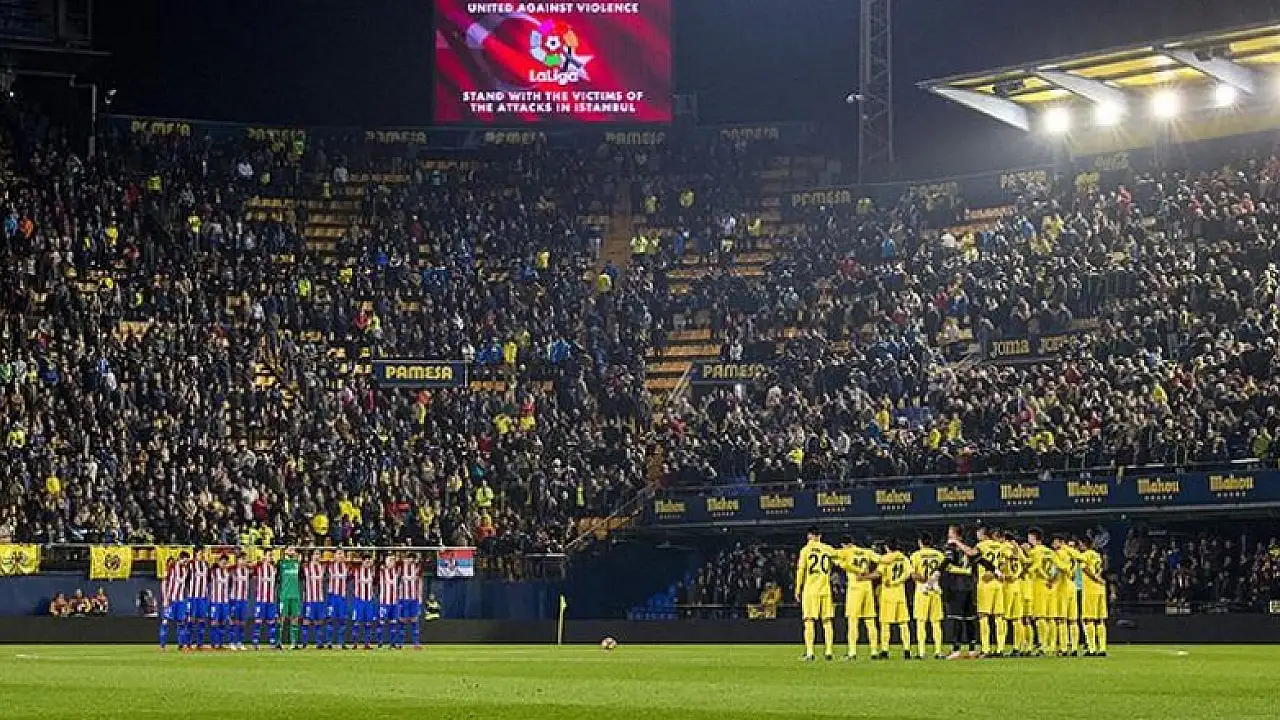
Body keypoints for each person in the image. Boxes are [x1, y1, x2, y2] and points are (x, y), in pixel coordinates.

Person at [832, 536, 879, 659]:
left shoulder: (846, 552)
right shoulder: (866, 552)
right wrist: (871, 573)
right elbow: (881, 560)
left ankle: (852, 652)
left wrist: (846, 565)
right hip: (867, 587)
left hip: (855, 587)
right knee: (870, 621)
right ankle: (874, 651)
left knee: (853, 621)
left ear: (844, 544)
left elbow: (833, 556)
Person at [794, 526, 837, 661]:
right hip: (825, 589)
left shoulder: (806, 550)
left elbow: (801, 570)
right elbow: (840, 561)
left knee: (809, 621)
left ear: (809, 536)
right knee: (827, 621)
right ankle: (829, 651)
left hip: (810, 590)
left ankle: (810, 652)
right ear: (820, 536)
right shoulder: (828, 549)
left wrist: (797, 589)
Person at [937, 525, 978, 659]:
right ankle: (971, 649)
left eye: (950, 532)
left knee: (958, 618)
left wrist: (936, 574)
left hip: (957, 586)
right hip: (968, 585)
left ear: (956, 534)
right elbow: (973, 554)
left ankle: (957, 650)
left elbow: (947, 561)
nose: (948, 535)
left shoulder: (952, 547)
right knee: (968, 619)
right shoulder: (966, 545)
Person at [909, 532, 946, 659]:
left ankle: (921, 652)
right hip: (935, 590)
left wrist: (924, 580)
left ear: (920, 542)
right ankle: (938, 651)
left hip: (922, 590)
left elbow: (913, 575)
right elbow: (945, 570)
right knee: (936, 622)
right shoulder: (939, 555)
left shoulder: (915, 555)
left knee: (921, 622)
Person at [973, 526, 1009, 656]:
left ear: (984, 535)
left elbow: (972, 556)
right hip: (998, 584)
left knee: (983, 616)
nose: (977, 536)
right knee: (999, 617)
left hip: (985, 583)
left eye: (978, 534)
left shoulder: (981, 546)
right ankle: (1000, 648)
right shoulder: (1000, 546)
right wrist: (995, 574)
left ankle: (986, 648)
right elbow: (1004, 564)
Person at [875, 539, 913, 659]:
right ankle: (907, 650)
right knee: (903, 624)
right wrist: (898, 581)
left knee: (885, 624)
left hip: (887, 595)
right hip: (900, 595)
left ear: (887, 547)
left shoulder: (886, 559)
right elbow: (908, 574)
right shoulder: (904, 558)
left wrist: (865, 577)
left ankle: (885, 650)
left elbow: (878, 573)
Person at [1025, 527, 1059, 655]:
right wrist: (1051, 579)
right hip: (1051, 586)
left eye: (1029, 537)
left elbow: (1037, 567)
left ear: (1033, 538)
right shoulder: (1050, 551)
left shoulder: (1035, 551)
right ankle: (1052, 645)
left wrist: (1027, 570)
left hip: (1039, 586)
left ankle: (1043, 645)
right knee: (1051, 617)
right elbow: (1056, 568)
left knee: (1040, 617)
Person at [1000, 530, 1031, 655]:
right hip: (1018, 586)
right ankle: (1017, 647)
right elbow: (1026, 562)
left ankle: (1000, 647)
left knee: (1002, 617)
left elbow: (1002, 562)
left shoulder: (1003, 547)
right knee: (1017, 619)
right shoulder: (1018, 549)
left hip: (1007, 585)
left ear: (1004, 538)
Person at [1053, 535, 1083, 656]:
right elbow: (1080, 558)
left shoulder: (1058, 553)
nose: (1053, 545)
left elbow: (1059, 566)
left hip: (1062, 588)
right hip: (1072, 587)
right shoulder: (1073, 552)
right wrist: (1072, 571)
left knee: (1062, 620)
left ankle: (1064, 648)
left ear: (1060, 542)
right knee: (1073, 621)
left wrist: (1067, 571)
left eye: (1055, 542)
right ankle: (1074, 648)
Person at [1079, 535, 1108, 657]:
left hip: (1090, 590)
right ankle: (1102, 648)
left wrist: (1095, 578)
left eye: (1080, 544)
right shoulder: (1097, 555)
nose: (1079, 546)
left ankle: (1091, 648)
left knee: (1088, 619)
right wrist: (1099, 578)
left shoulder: (1085, 555)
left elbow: (1085, 568)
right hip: (1100, 589)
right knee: (1100, 619)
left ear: (1084, 544)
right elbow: (1103, 568)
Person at [159, 552, 190, 650]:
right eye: (184, 561)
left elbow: (185, 585)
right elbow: (164, 583)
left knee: (181, 623)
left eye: (187, 561)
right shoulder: (171, 567)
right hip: (170, 600)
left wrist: (186, 599)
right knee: (165, 622)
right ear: (180, 558)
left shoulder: (186, 569)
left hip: (181, 601)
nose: (185, 563)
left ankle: (181, 645)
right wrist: (165, 598)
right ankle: (162, 646)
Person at [252, 553, 280, 650]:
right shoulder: (258, 568)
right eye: (269, 555)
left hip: (271, 600)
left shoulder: (274, 569)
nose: (271, 557)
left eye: (272, 555)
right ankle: (255, 642)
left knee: (271, 621)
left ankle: (272, 643)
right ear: (264, 556)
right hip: (260, 600)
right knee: (258, 621)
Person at [325, 549, 351, 649]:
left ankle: (341, 642)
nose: (340, 556)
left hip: (342, 597)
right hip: (332, 597)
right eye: (339, 554)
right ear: (334, 555)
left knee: (342, 620)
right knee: (330, 619)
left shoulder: (347, 567)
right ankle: (329, 642)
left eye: (342, 554)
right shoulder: (329, 566)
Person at [351, 554, 378, 649]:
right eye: (365, 560)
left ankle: (367, 644)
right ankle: (355, 644)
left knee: (368, 622)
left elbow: (375, 583)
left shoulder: (372, 572)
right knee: (357, 622)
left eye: (369, 560)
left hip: (369, 600)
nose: (367, 562)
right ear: (362, 561)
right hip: (359, 600)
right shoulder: (357, 570)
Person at [278, 548, 302, 650]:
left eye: (293, 550)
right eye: (290, 549)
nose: (292, 551)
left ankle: (294, 643)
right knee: (281, 618)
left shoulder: (297, 563)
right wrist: (285, 553)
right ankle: (279, 642)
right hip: (284, 595)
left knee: (295, 618)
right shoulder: (281, 563)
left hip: (295, 595)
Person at [302, 551, 327, 649]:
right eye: (315, 554)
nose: (317, 556)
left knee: (319, 621)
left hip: (319, 599)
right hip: (309, 599)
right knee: (306, 621)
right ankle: (304, 643)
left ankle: (319, 643)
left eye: (319, 554)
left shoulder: (322, 567)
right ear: (311, 556)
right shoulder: (306, 567)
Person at [186, 551, 211, 649]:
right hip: (193, 596)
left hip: (203, 597)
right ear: (195, 554)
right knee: (191, 619)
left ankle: (200, 644)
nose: (202, 555)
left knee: (201, 620)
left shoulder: (206, 564)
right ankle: (188, 644)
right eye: (200, 553)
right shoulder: (190, 564)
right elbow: (186, 579)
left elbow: (209, 579)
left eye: (203, 553)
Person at [399, 553, 423, 650]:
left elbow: (420, 582)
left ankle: (416, 644)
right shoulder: (401, 567)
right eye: (409, 558)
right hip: (403, 598)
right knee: (403, 620)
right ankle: (400, 643)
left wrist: (420, 598)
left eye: (413, 558)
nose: (411, 560)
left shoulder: (417, 568)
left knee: (414, 620)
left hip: (414, 598)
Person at [378, 553, 402, 648]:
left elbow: (401, 563)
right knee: (382, 622)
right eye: (390, 560)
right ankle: (380, 642)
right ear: (386, 562)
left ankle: (393, 643)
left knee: (394, 622)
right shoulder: (382, 571)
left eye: (393, 560)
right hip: (384, 602)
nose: (392, 562)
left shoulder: (397, 571)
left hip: (394, 602)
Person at [229, 556, 252, 650]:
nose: (243, 561)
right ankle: (232, 642)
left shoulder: (248, 571)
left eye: (244, 559)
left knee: (242, 622)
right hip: (235, 599)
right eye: (241, 559)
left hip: (244, 600)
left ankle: (240, 642)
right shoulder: (233, 571)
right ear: (237, 561)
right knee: (233, 621)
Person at [208, 554, 231, 649]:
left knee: (223, 622)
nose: (224, 564)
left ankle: (220, 644)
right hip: (215, 601)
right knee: (214, 622)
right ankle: (214, 644)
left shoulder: (227, 573)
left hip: (225, 602)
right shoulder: (213, 572)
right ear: (219, 562)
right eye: (222, 562)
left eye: (225, 562)